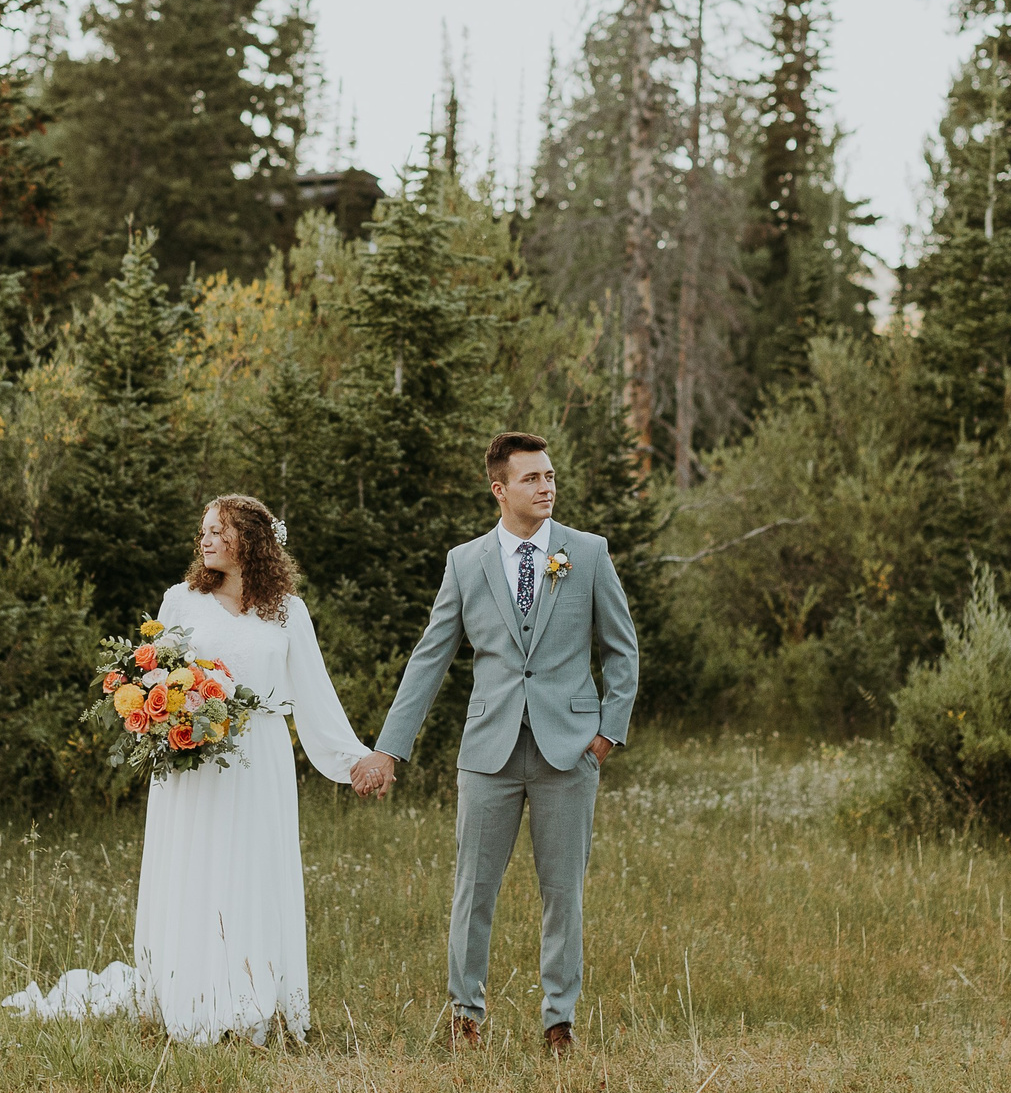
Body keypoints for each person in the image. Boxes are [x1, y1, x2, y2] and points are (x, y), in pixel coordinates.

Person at [350, 432, 639, 1054]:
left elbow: (622, 648)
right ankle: (466, 1016)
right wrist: (389, 749)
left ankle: (559, 1021)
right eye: (532, 478)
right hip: (489, 753)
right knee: (473, 889)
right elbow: (430, 659)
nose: (547, 487)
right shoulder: (465, 562)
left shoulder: (587, 554)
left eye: (551, 476)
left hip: (570, 750)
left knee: (563, 893)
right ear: (499, 489)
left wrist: (606, 734)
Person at [132, 493, 370, 1044]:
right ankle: (187, 999)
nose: (207, 539)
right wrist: (169, 715)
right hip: (196, 758)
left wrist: (356, 759)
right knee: (195, 867)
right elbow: (155, 679)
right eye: (204, 531)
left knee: (253, 871)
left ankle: (252, 1000)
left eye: (219, 530)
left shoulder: (288, 610)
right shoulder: (181, 600)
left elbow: (315, 694)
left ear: (252, 540)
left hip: (260, 754)